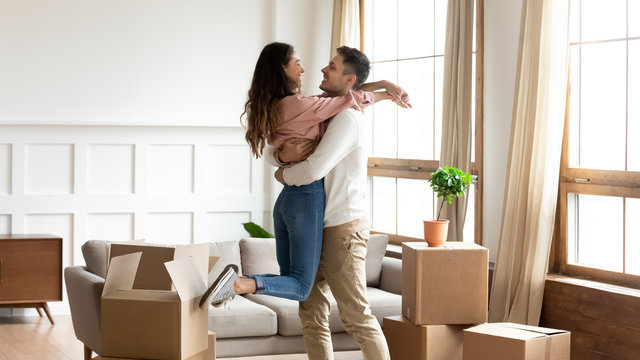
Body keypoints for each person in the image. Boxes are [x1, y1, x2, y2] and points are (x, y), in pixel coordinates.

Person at [202, 42, 407, 308]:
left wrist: (381, 83)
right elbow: (350, 98)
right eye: (296, 62)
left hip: (286, 202)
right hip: (305, 198)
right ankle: (240, 283)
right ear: (281, 69)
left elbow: (344, 93)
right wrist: (388, 94)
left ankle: (236, 282)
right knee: (300, 287)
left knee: (292, 279)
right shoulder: (301, 105)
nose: (304, 68)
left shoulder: (284, 105)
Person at [267, 46, 408, 360]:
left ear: (348, 78)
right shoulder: (327, 107)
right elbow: (273, 140)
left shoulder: (346, 119)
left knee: (357, 317)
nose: (322, 70)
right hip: (316, 228)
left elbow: (313, 169)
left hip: (342, 232)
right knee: (311, 315)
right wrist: (278, 155)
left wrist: (281, 174)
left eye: (331, 66)